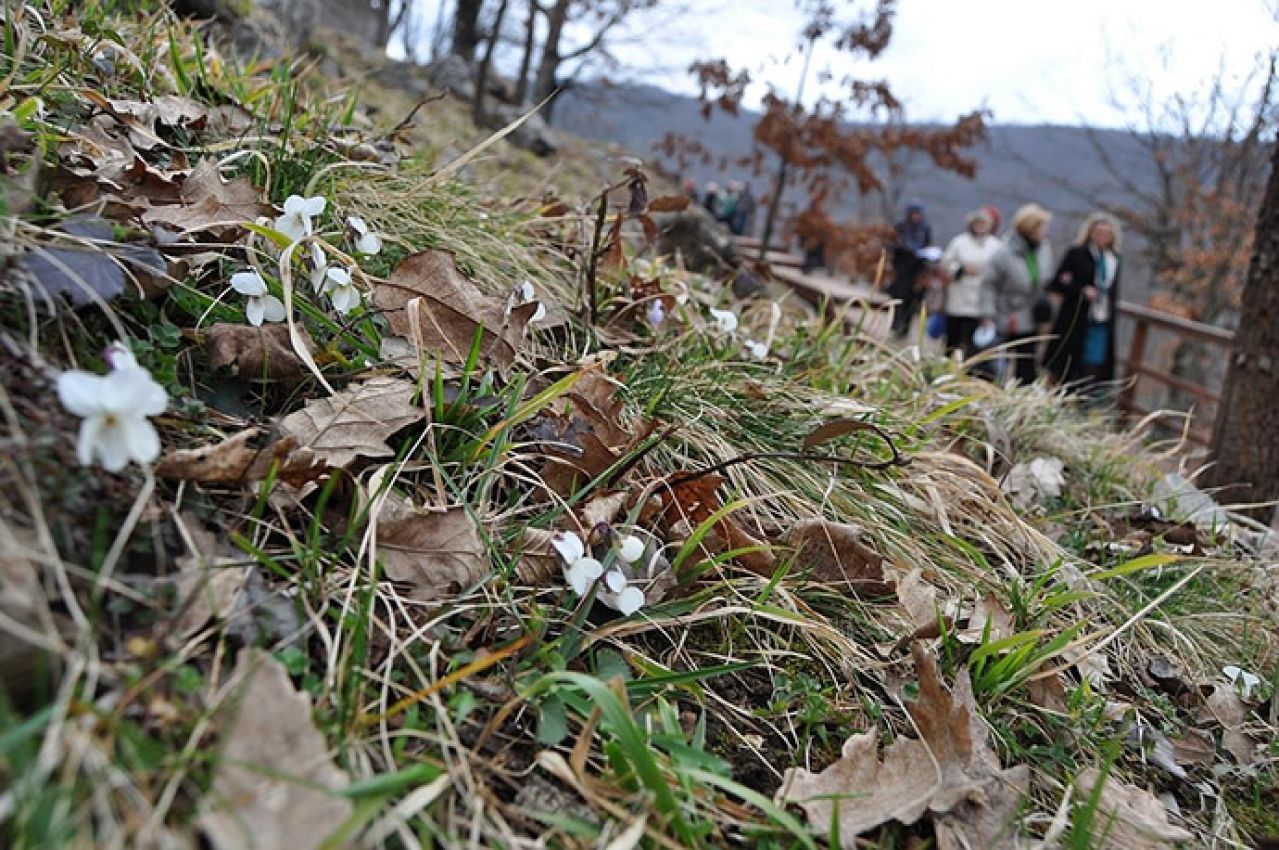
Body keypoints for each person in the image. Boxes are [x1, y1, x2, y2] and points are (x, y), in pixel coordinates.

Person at [1044, 211, 1123, 387]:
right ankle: (1065, 392)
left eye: (1106, 234)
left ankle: (1087, 396)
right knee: (1069, 359)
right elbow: (1057, 283)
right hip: (1076, 317)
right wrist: (1080, 290)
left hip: (1102, 317)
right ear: (1090, 233)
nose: (1102, 237)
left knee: (1096, 359)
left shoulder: (1114, 259)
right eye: (1098, 233)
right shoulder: (1077, 253)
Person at [980, 203, 1054, 383]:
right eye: (1041, 227)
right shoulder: (1004, 253)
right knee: (997, 365)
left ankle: (1023, 397)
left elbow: (1047, 279)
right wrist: (987, 315)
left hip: (1032, 315)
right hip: (1006, 315)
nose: (1044, 231)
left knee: (1027, 364)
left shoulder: (1044, 250)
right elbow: (989, 285)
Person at [940, 208, 1002, 357]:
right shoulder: (959, 242)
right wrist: (962, 270)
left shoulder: (996, 246)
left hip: (981, 302)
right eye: (978, 223)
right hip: (958, 298)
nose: (981, 227)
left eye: (984, 224)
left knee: (973, 344)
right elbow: (946, 263)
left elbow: (1000, 270)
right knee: (953, 340)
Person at [889, 202, 934, 337]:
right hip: (902, 269)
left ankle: (905, 328)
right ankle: (895, 325)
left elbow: (928, 245)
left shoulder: (925, 229)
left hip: (918, 269)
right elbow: (893, 245)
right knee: (899, 299)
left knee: (913, 301)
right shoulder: (901, 227)